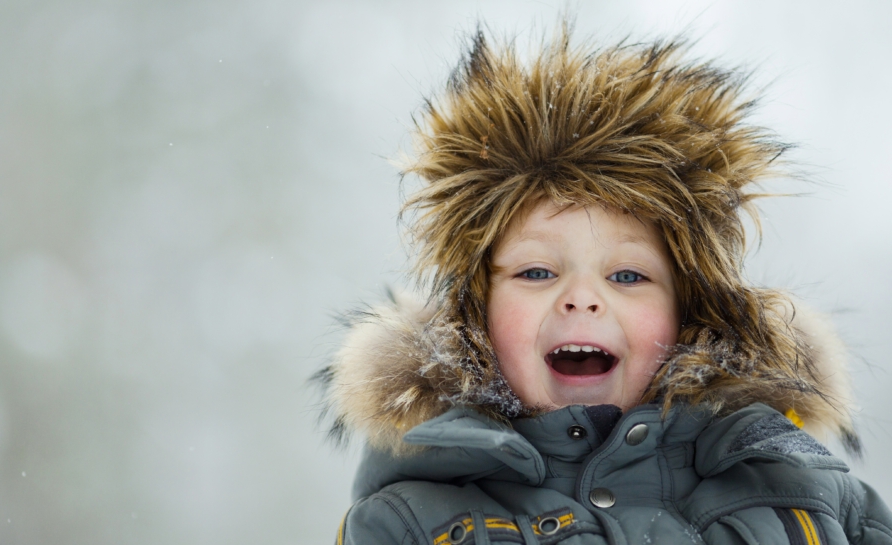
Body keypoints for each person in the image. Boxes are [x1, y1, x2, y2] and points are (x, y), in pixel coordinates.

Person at [313, 27, 892, 544]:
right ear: (474, 312)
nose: (582, 297)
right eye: (537, 272)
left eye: (628, 275)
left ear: (691, 312)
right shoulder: (409, 520)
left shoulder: (808, 501)